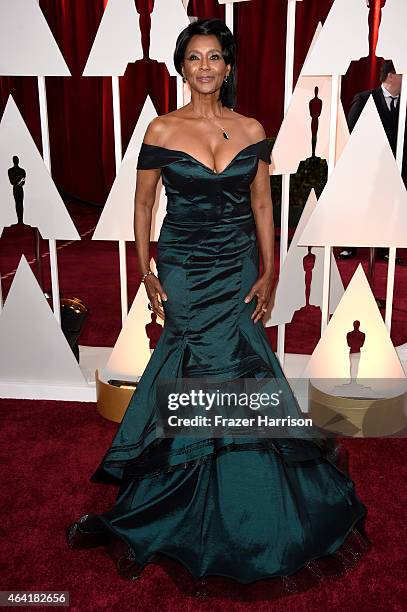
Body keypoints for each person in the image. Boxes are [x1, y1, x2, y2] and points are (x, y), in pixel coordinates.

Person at [66, 18, 370, 590]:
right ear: (182, 66)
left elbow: (262, 206)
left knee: (241, 365)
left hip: (237, 265)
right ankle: (181, 490)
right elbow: (142, 205)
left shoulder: (251, 128)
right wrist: (145, 269)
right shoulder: (160, 129)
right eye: (194, 57)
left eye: (215, 57)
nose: (205, 66)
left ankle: (246, 493)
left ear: (227, 68)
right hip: (182, 265)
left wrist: (271, 272)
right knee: (195, 365)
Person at [339, 60, 406, 261]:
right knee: (358, 204)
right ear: (391, 76)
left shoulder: (404, 102)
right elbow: (350, 131)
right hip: (366, 166)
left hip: (395, 168)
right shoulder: (365, 98)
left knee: (389, 207)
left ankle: (385, 249)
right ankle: (349, 246)